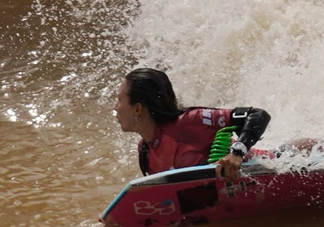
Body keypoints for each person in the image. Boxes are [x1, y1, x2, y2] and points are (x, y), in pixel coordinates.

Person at [114, 68, 270, 181]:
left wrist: (236, 153)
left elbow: (258, 115)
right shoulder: (145, 152)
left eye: (120, 100)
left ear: (137, 109)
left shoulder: (190, 121)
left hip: (272, 166)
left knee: (293, 148)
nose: (115, 107)